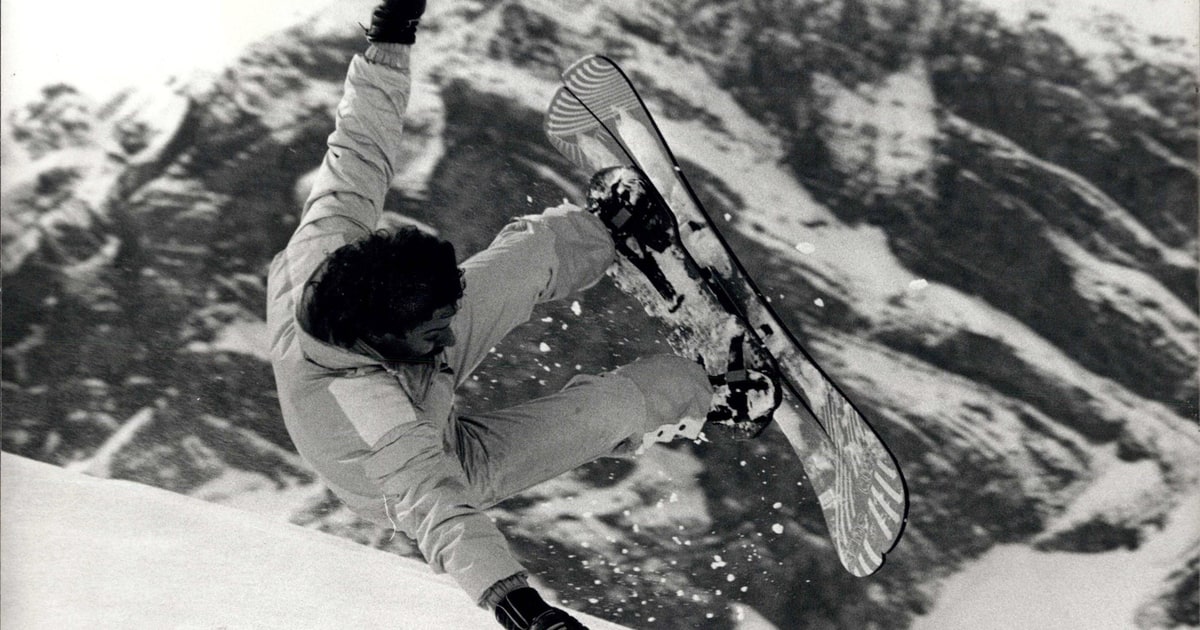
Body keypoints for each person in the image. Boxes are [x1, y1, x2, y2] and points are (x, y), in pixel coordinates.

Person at [265, 2, 714, 629]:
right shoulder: (379, 424)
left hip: (406, 371)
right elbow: (441, 514)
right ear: (387, 336)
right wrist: (521, 609)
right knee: (605, 412)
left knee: (522, 259)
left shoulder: (328, 246)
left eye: (446, 315)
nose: (452, 334)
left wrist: (389, 39)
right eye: (436, 330)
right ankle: (715, 388)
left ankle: (612, 233)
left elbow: (359, 145)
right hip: (427, 466)